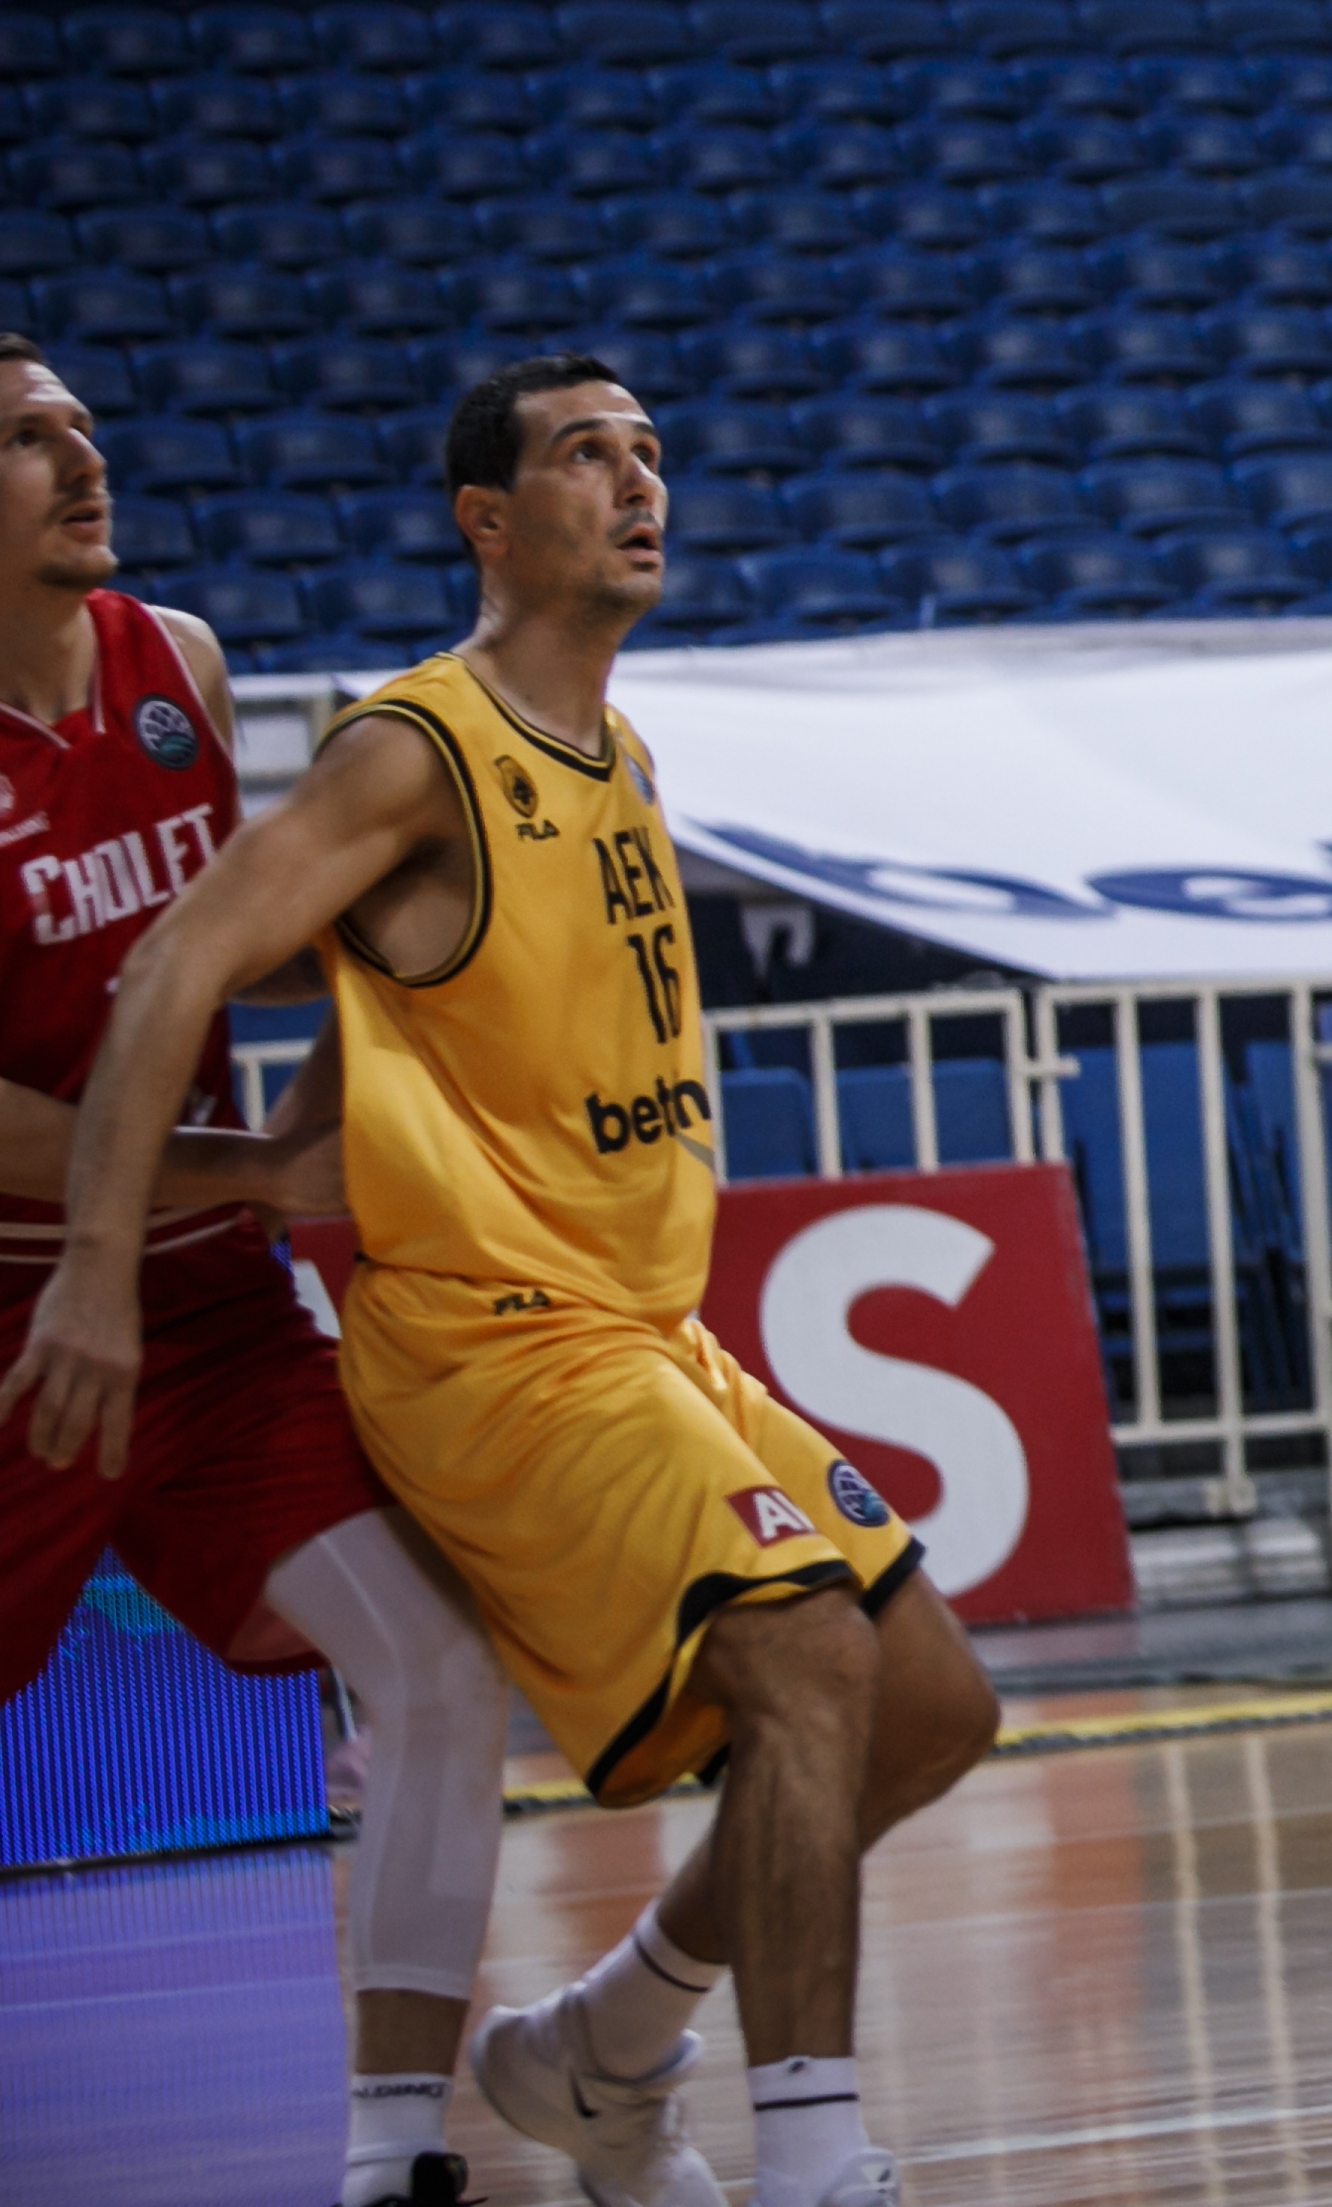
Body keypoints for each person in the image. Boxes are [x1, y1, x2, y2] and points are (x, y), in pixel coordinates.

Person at [4, 354, 1004, 2207]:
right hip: (490, 1337)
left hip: (637, 1327)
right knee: (799, 1648)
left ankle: (606, 2046)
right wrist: (125, 1255)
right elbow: (178, 970)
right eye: (582, 455)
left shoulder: (616, 749)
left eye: (649, 453)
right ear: (487, 516)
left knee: (934, 1701)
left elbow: (349, 982)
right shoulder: (418, 744)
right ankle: (813, 2150)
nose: (638, 484)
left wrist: (333, 1093)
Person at [0, 340, 524, 2207]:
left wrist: (410, 947)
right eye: (26, 436)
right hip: (23, 1324)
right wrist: (255, 1163)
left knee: (442, 1670)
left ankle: (393, 2149)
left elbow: (223, 945)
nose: (82, 454)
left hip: (213, 1325)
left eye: (82, 423)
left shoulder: (182, 665)